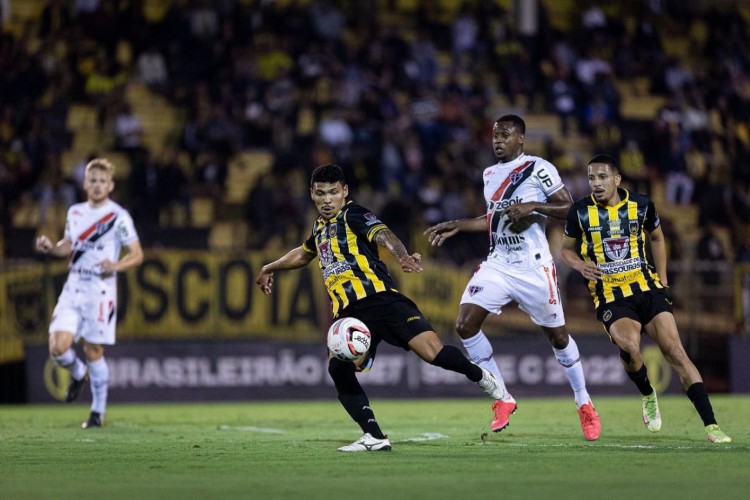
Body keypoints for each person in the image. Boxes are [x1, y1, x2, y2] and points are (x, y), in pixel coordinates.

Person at [255, 164, 505, 452]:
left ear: (344, 192)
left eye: (333, 192)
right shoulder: (319, 227)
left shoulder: (354, 214)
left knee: (433, 353)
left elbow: (383, 234)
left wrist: (401, 256)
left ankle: (483, 378)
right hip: (349, 314)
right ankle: (374, 435)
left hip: (381, 300)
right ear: (312, 193)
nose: (327, 199)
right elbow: (303, 253)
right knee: (338, 369)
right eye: (321, 193)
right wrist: (269, 266)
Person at [425, 114, 601, 441]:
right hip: (500, 263)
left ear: (520, 139)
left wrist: (533, 205)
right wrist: (459, 224)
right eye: (494, 135)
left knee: (558, 338)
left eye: (504, 135)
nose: (497, 140)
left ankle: (584, 402)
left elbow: (572, 209)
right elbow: (493, 218)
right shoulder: (489, 174)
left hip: (534, 268)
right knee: (464, 324)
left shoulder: (539, 168)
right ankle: (502, 397)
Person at [560, 153, 732, 444]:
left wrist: (663, 280)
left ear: (617, 179)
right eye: (591, 178)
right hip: (611, 295)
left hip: (647, 287)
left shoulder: (641, 204)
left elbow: (658, 238)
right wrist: (579, 265)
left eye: (602, 177)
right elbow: (566, 249)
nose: (596, 183)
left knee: (676, 353)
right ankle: (647, 392)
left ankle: (712, 425)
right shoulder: (579, 211)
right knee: (629, 344)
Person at [35, 157, 143, 429]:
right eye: (92, 180)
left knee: (93, 349)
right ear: (85, 183)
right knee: (57, 348)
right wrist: (52, 248)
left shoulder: (118, 217)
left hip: (100, 290)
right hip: (74, 286)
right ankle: (78, 372)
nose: (96, 185)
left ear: (111, 185)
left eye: (102, 181)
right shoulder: (75, 212)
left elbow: (138, 255)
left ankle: (97, 412)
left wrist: (116, 265)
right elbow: (68, 247)